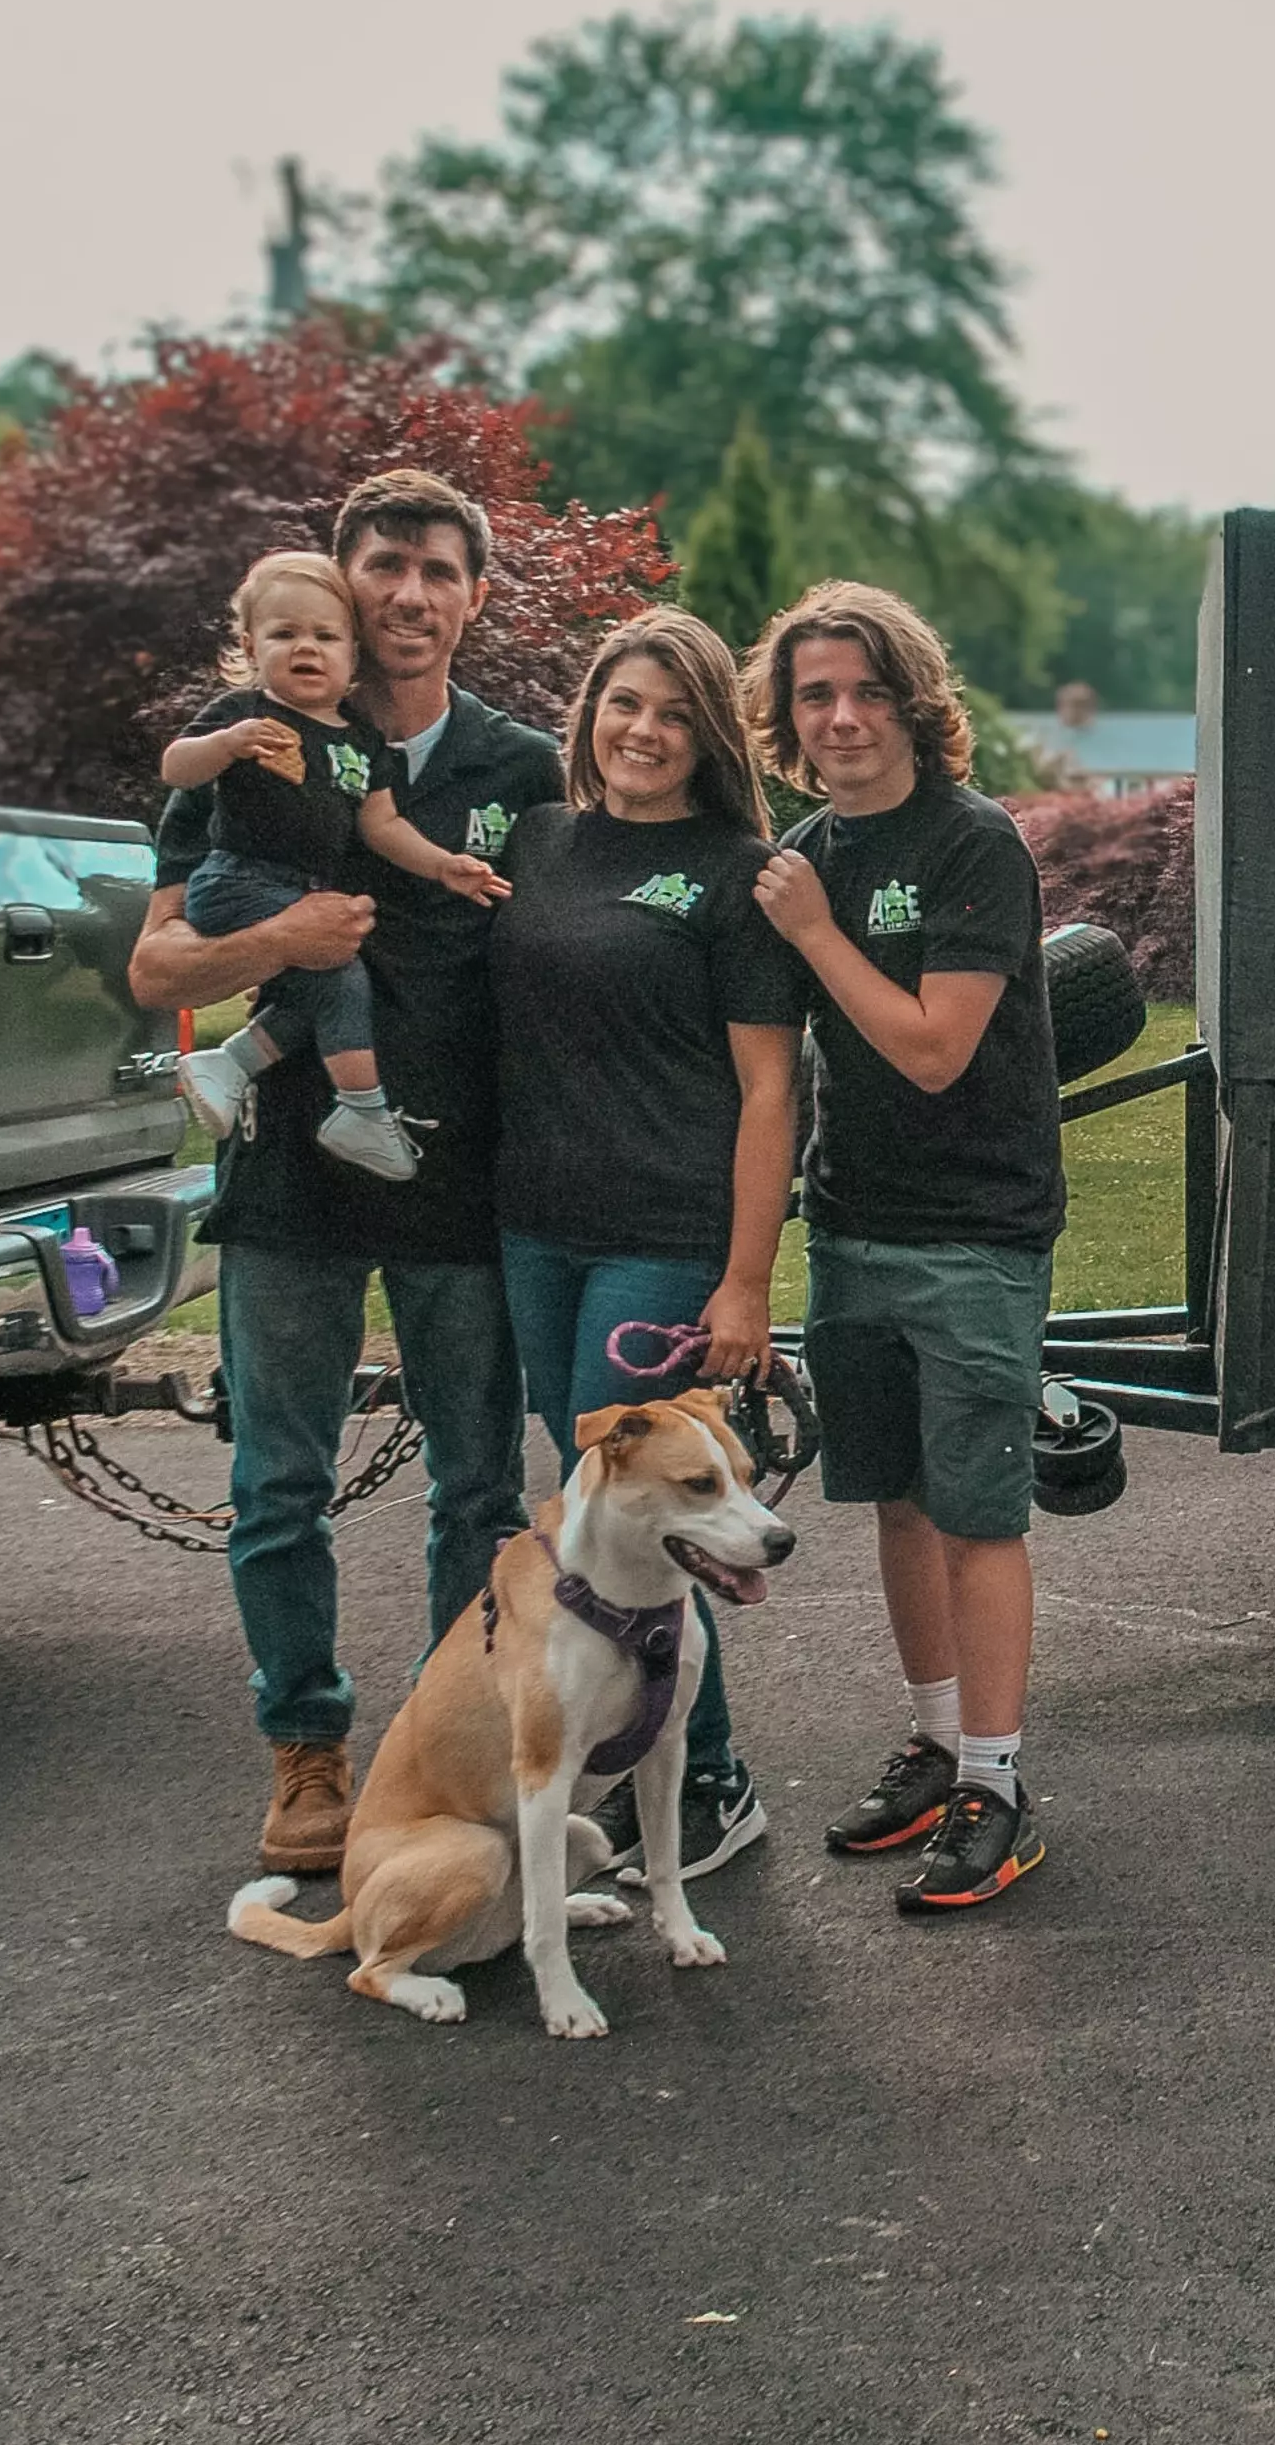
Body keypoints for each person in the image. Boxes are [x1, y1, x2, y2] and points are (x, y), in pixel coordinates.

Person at [131, 470, 553, 1877]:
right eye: (386, 565)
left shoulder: (525, 768)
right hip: (292, 1186)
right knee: (278, 1483)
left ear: (476, 596)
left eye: (442, 570)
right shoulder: (252, 739)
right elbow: (156, 966)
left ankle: (451, 1739)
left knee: (477, 1491)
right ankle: (307, 1749)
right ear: (340, 580)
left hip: (458, 1179)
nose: (412, 593)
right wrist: (286, 939)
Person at [746, 580, 1066, 1915]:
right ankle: (937, 1743)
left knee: (981, 1512)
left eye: (868, 690)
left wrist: (815, 929)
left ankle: (998, 1780)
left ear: (916, 704)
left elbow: (936, 1049)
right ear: (786, 718)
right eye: (815, 694)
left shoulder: (970, 842)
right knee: (895, 1498)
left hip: (973, 1233)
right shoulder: (806, 849)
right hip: (856, 1223)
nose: (843, 716)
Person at [490, 607, 797, 1884]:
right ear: (590, 715)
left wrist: (744, 1280)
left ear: (709, 735)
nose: (645, 732)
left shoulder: (737, 874)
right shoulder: (540, 840)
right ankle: (637, 1765)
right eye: (625, 704)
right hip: (533, 1227)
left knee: (628, 1502)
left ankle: (710, 1779)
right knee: (588, 1510)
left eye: (675, 713)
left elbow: (772, 1092)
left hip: (664, 1233)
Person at [164, 550, 513, 1182]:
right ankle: (362, 1107)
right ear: (250, 644)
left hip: (300, 887)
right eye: (284, 634)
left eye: (325, 636)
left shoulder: (358, 740)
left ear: (353, 652)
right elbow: (175, 767)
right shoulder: (247, 716)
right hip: (239, 880)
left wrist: (443, 866)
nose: (306, 648)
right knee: (342, 972)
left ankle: (231, 1063)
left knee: (318, 995)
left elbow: (381, 826)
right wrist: (226, 746)